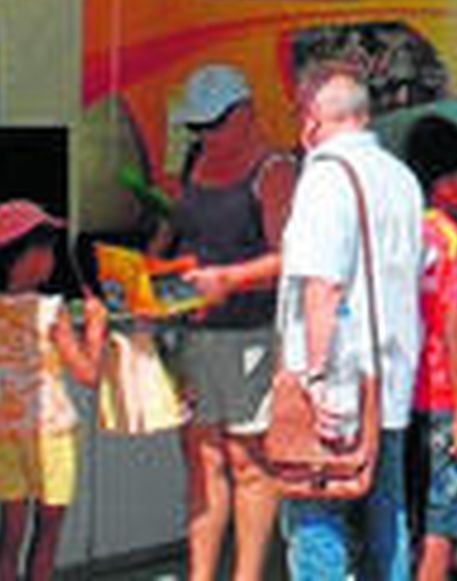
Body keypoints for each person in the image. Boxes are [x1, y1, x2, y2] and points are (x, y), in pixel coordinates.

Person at [276, 64, 424, 581]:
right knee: (388, 518)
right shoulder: (401, 178)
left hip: (338, 378)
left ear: (313, 118)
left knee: (316, 519)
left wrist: (315, 379)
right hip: (388, 381)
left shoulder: (325, 178)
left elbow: (322, 284)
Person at [158, 63, 295, 581]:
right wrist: (156, 273)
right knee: (203, 459)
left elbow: (289, 259)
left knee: (247, 461)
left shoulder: (274, 169)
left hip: (251, 336)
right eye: (197, 127)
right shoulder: (197, 160)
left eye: (213, 124)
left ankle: (248, 574)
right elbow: (181, 229)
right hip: (196, 333)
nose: (205, 136)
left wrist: (229, 280)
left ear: (244, 113)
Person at [0, 200, 107, 581]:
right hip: (51, 434)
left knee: (9, 533)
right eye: (48, 250)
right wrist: (97, 329)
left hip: (4, 434)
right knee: (48, 532)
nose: (51, 259)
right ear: (26, 256)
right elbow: (88, 374)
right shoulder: (51, 310)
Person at [401, 116, 457, 581]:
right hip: (439, 393)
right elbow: (453, 325)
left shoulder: (401, 229)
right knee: (442, 515)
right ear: (438, 181)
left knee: (400, 508)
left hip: (395, 395)